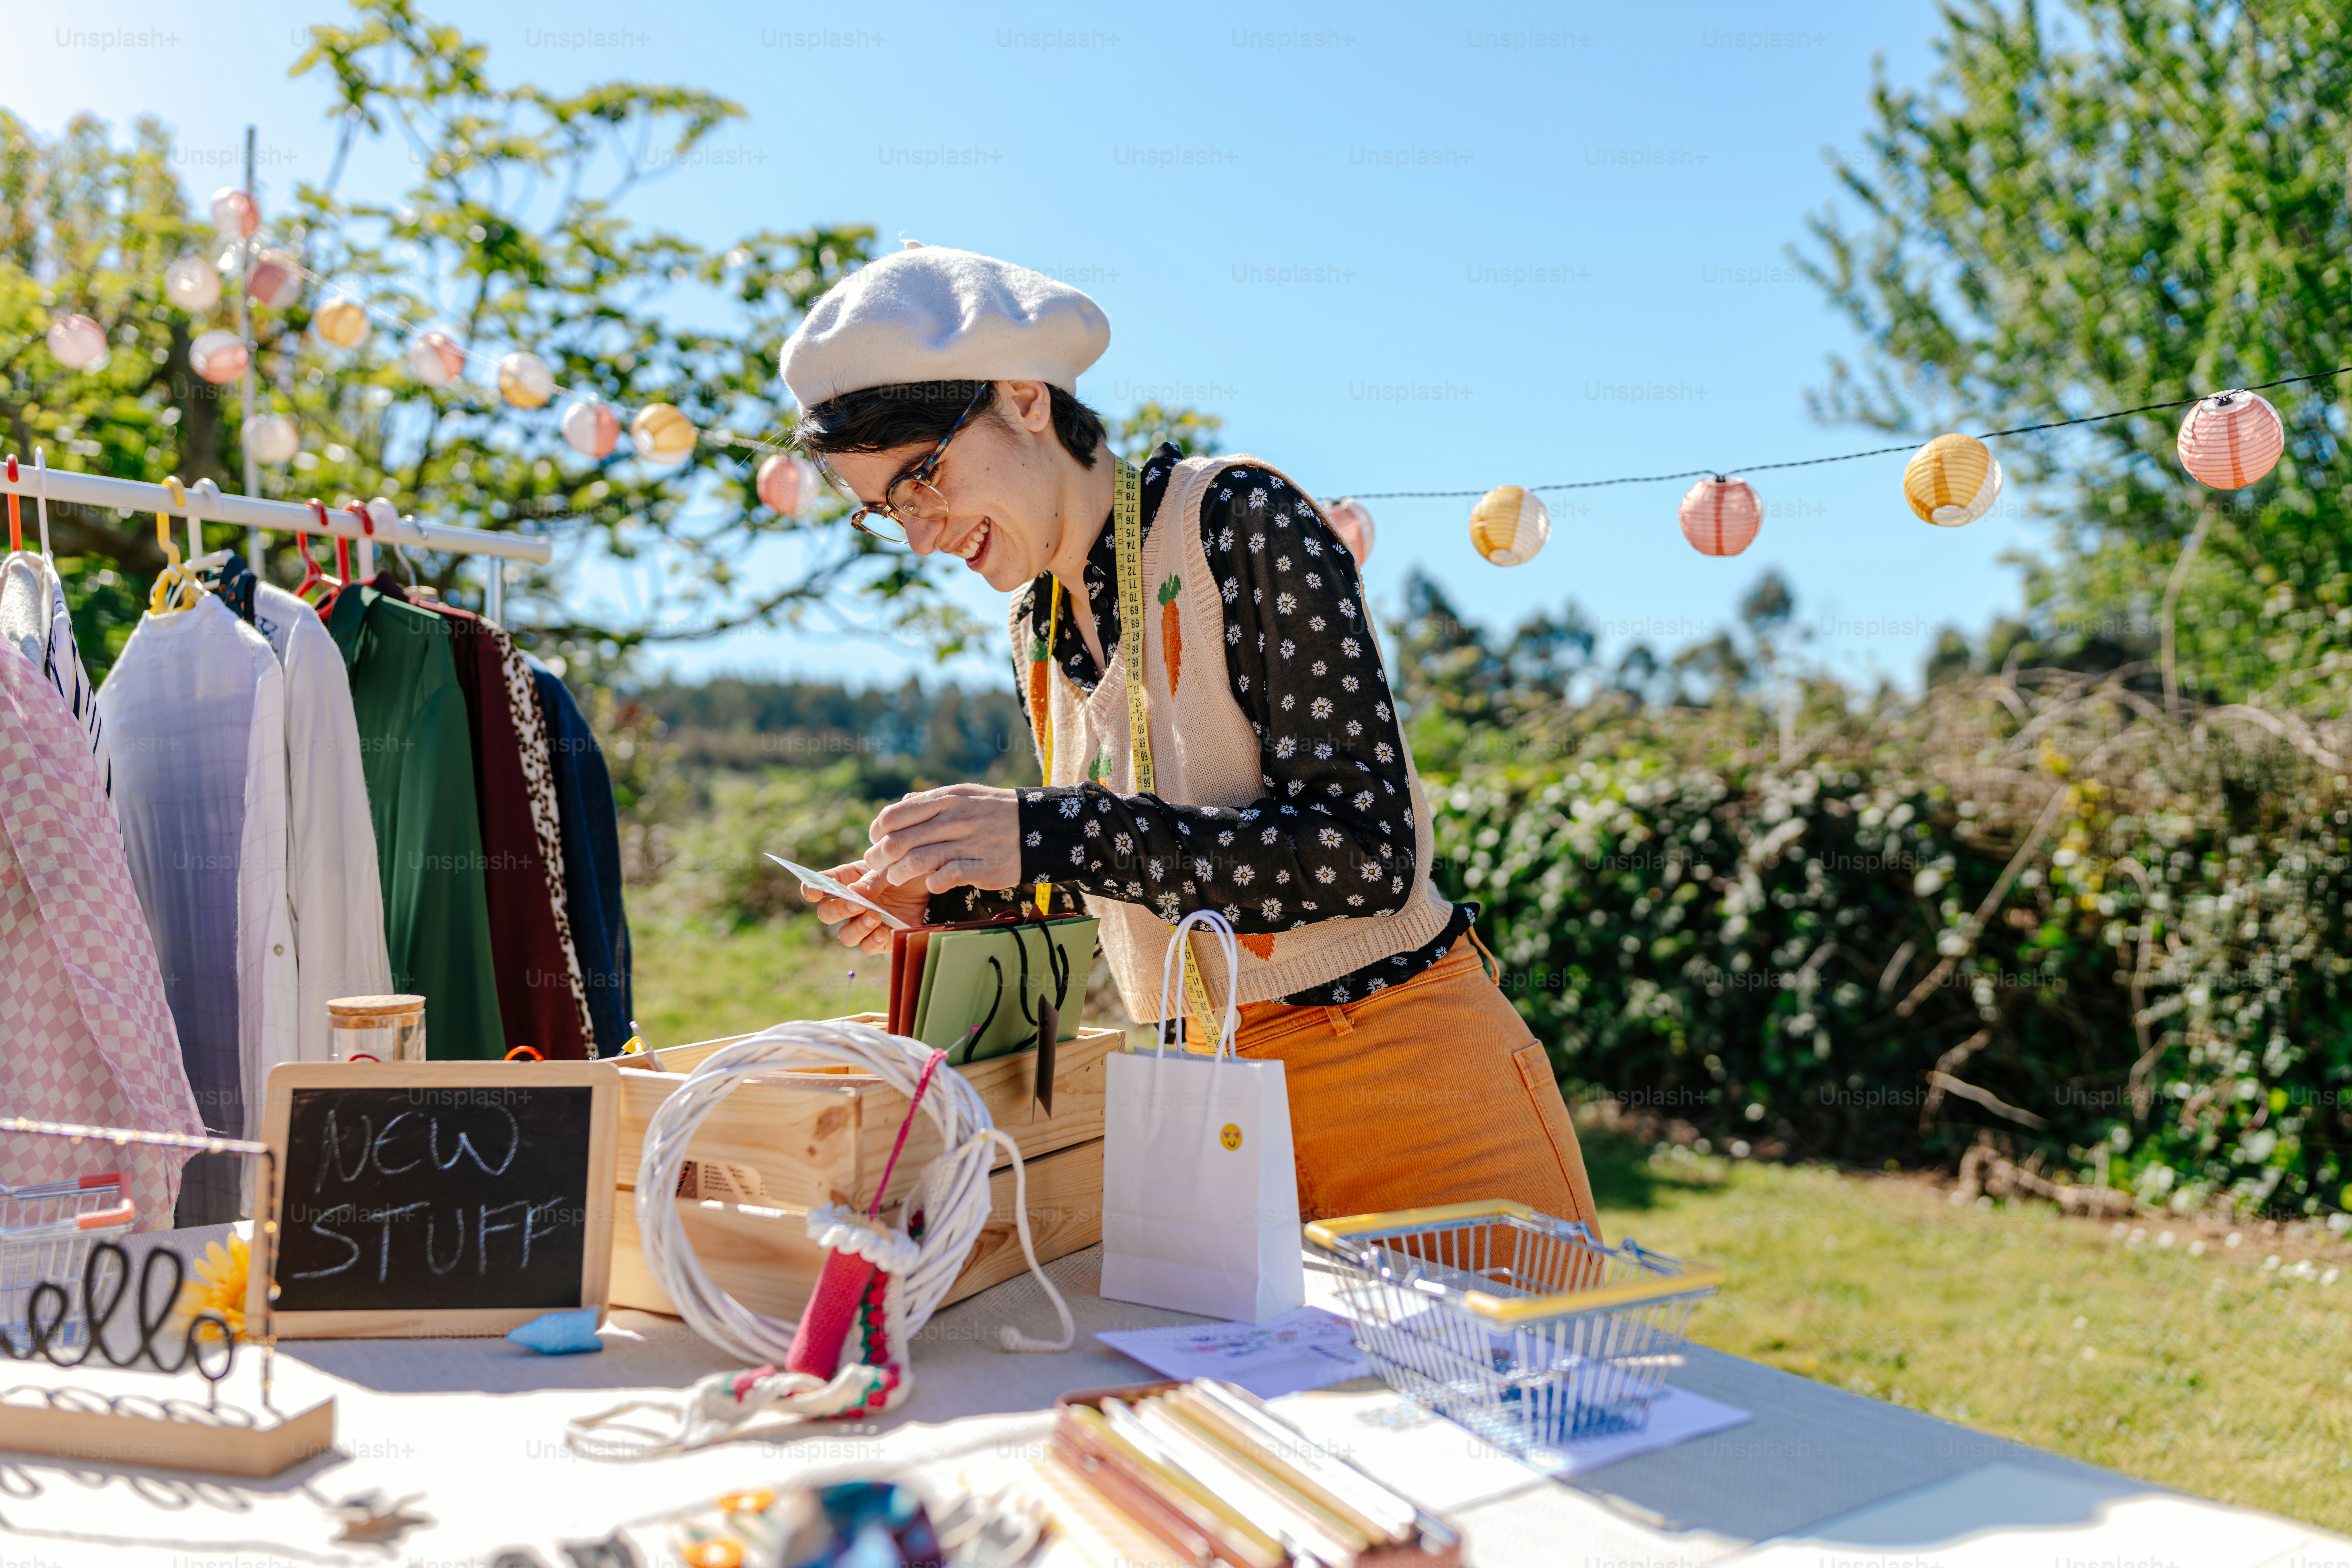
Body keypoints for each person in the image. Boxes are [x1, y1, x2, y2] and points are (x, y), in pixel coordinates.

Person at [782, 244, 1596, 1229]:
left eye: (924, 476)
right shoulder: (1035, 625)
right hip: (1198, 1103)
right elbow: (1144, 872)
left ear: (1025, 397)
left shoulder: (1238, 519)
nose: (920, 532)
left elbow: (1366, 856)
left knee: (1528, 1384)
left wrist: (1047, 831)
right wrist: (957, 888)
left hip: (1396, 1070)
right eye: (886, 511)